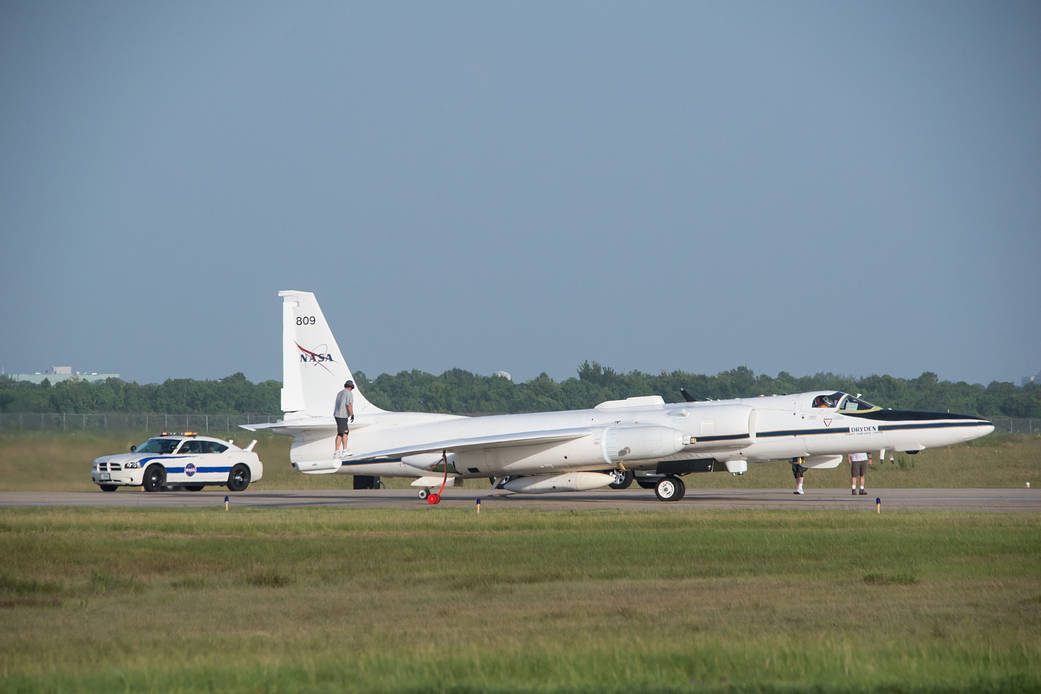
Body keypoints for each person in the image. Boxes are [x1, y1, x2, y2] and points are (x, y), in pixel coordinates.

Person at [334, 380, 355, 456]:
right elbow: (348, 404)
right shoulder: (349, 393)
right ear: (351, 387)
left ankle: (344, 449)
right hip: (342, 415)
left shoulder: (340, 393)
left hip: (338, 415)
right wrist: (352, 414)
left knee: (345, 432)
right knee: (341, 433)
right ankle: (337, 451)